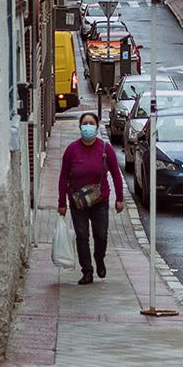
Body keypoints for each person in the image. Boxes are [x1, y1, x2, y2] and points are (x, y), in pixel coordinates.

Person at [55, 111, 125, 284]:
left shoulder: (105, 148)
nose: (88, 127)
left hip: (100, 200)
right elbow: (63, 177)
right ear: (80, 127)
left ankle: (99, 257)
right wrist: (62, 202)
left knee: (101, 234)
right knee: (82, 235)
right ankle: (87, 270)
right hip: (78, 201)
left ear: (97, 126)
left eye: (91, 123)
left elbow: (116, 174)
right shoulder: (72, 150)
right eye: (84, 123)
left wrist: (120, 198)